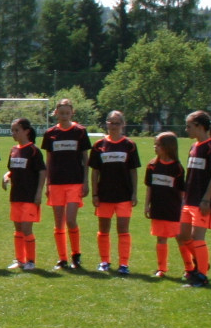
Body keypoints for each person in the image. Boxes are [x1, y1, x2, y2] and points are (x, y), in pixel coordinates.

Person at [89, 111, 141, 275]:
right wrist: (95, 194)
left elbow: (133, 171)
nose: (113, 126)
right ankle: (104, 261)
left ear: (123, 125)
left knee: (123, 230)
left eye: (117, 123)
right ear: (106, 123)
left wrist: (134, 193)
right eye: (111, 122)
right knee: (103, 229)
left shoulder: (129, 145)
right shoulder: (99, 145)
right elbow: (95, 172)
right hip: (104, 195)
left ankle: (124, 264)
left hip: (124, 195)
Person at [42, 97, 91, 269]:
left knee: (70, 220)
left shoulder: (80, 131)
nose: (64, 116)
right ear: (56, 113)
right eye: (61, 113)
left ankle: (76, 255)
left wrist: (86, 181)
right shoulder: (50, 133)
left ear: (72, 113)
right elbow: (48, 160)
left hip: (74, 181)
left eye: (67, 113)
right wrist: (47, 183)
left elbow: (85, 159)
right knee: (58, 223)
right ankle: (62, 258)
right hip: (56, 182)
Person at [179, 110, 211, 287]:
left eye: (189, 126)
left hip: (202, 201)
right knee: (182, 235)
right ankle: (201, 261)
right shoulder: (193, 147)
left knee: (197, 238)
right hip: (188, 200)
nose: (186, 129)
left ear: (199, 127)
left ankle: (201, 275)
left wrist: (206, 200)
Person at [1, 117, 44, 270]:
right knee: (18, 229)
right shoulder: (14, 150)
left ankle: (30, 261)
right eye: (12, 130)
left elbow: (42, 172)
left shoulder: (33, 150)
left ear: (26, 131)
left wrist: (39, 193)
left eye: (16, 130)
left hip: (29, 196)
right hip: (16, 195)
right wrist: (6, 176)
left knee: (26, 229)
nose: (13, 133)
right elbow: (12, 170)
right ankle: (20, 260)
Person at [144, 132, 185, 278]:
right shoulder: (152, 165)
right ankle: (161, 268)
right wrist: (147, 205)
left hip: (173, 209)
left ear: (168, 147)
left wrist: (182, 209)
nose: (155, 147)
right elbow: (149, 187)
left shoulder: (177, 168)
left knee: (180, 238)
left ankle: (190, 267)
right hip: (158, 207)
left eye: (158, 145)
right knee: (161, 238)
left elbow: (181, 191)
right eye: (155, 144)